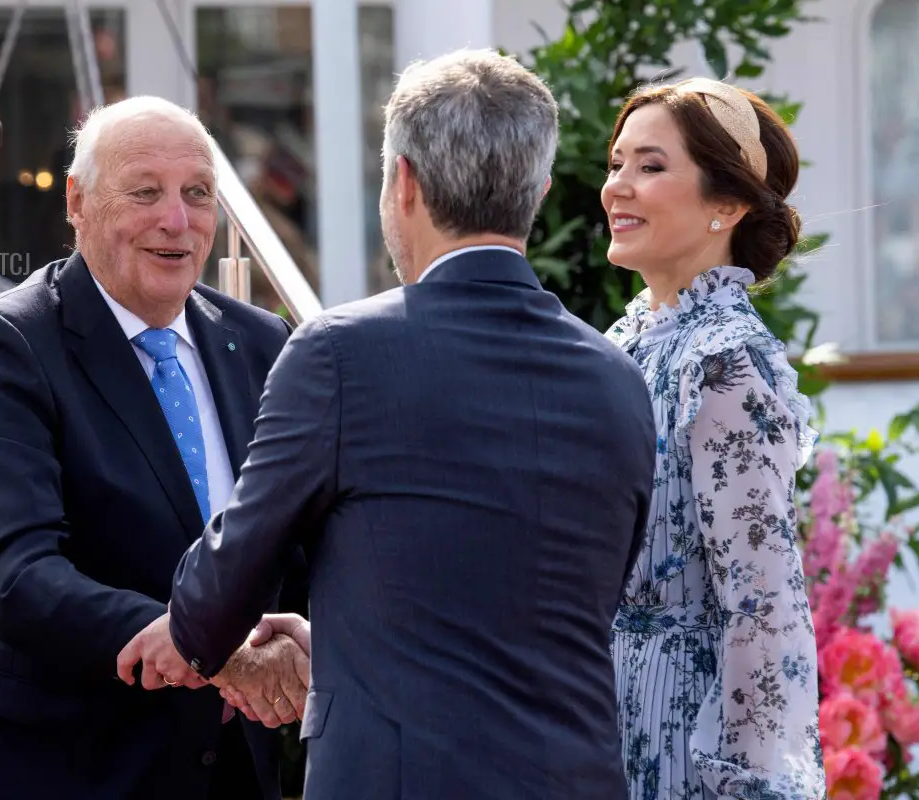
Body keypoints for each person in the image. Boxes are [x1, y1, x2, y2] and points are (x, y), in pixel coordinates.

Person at [116, 49, 657, 799]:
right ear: (536, 190)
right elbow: (563, 598)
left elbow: (228, 572)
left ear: (402, 182)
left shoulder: (340, 353)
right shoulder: (618, 379)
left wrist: (188, 636)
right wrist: (343, 642)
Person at [0, 96, 310, 800]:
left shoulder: (264, 345)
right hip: (44, 764)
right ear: (78, 203)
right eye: (145, 192)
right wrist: (208, 651)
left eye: (197, 194)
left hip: (217, 768)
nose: (176, 220)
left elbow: (295, 544)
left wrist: (304, 640)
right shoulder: (7, 345)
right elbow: (16, 575)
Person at [600, 77, 826, 798]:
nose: (618, 187)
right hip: (601, 713)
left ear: (726, 205)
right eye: (616, 163)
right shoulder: (629, 342)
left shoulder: (724, 362)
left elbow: (763, 601)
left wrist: (744, 780)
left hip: (681, 732)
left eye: (651, 166)